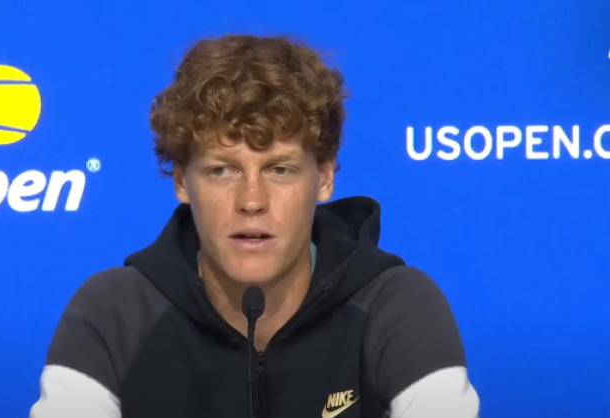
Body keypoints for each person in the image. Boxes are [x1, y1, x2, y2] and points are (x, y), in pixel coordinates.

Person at [29, 34, 480, 418]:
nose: (251, 201)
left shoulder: (396, 306)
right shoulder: (114, 315)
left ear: (324, 177)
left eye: (279, 170)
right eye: (222, 170)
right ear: (182, 181)